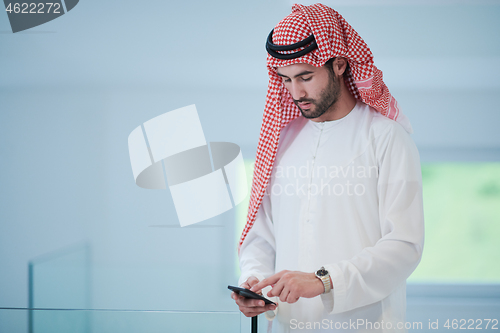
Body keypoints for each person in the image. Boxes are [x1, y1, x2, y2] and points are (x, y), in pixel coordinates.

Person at [231, 4, 425, 332]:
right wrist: (253, 281)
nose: (296, 93)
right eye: (286, 79)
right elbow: (261, 235)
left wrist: (324, 281)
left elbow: (404, 245)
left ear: (339, 64)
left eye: (306, 77)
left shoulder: (385, 136)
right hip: (288, 326)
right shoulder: (282, 141)